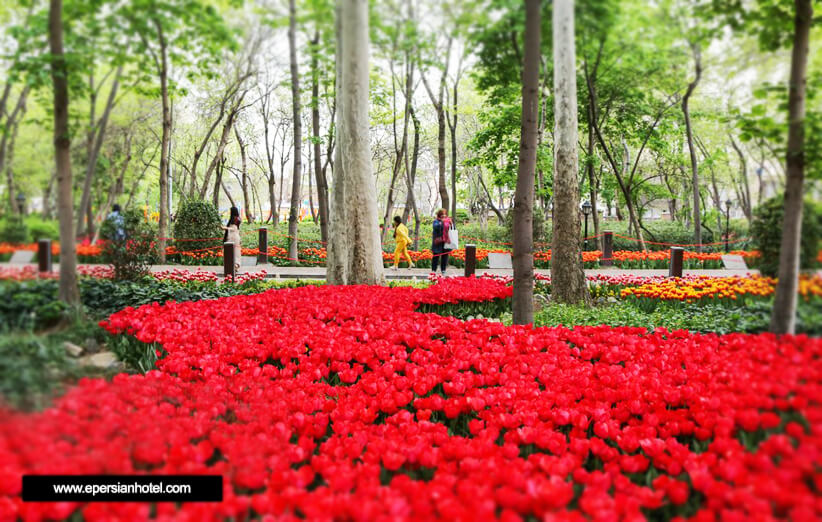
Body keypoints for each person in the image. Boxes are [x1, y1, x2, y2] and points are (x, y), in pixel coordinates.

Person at [431, 209, 452, 275]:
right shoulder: (436, 221)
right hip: (438, 241)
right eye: (442, 215)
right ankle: (434, 270)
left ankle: (443, 270)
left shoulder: (448, 221)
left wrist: (450, 224)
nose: (444, 216)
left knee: (445, 256)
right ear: (439, 215)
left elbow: (452, 229)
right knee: (436, 256)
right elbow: (435, 227)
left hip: (445, 241)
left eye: (445, 214)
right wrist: (442, 222)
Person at [221, 206, 242, 272]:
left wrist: (225, 228)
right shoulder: (237, 219)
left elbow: (234, 228)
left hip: (233, 237)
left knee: (234, 251)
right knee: (235, 251)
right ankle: (235, 265)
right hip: (234, 237)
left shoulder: (235, 219)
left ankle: (235, 265)